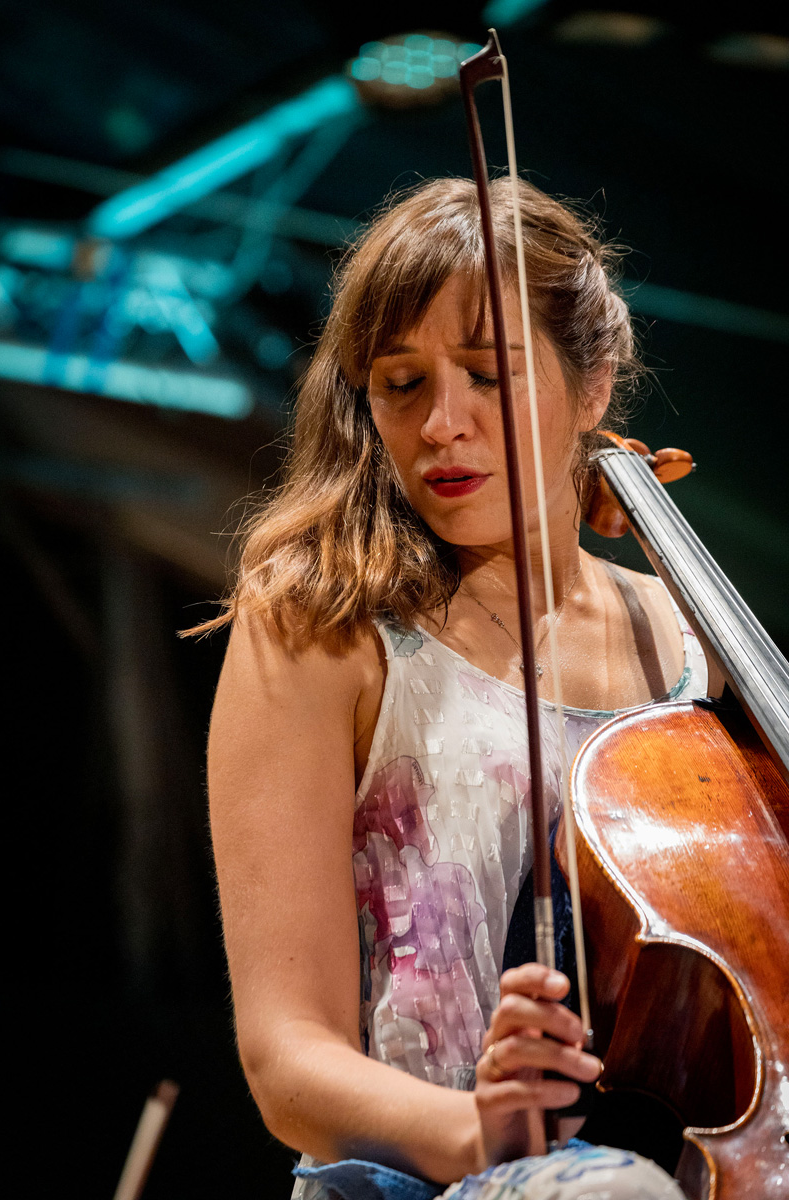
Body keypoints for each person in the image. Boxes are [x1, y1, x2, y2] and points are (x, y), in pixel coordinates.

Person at [205, 177, 717, 1199]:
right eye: (401, 384)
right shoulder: (322, 628)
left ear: (591, 388)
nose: (442, 424)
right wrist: (478, 1131)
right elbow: (286, 1058)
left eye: (488, 375)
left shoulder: (691, 643)